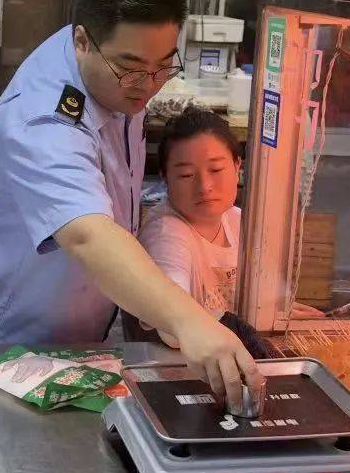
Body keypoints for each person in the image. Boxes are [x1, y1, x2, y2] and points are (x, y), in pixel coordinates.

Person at [0, 0, 263, 412]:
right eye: (131, 67)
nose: (147, 84)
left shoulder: (111, 64)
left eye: (163, 65)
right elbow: (87, 233)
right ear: (81, 41)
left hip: (83, 318)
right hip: (14, 336)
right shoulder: (42, 117)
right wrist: (189, 321)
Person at [135, 107, 323, 357]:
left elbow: (270, 301)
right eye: (186, 175)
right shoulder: (165, 233)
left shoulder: (239, 221)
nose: (205, 186)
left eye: (215, 169)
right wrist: (245, 325)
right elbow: (171, 325)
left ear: (237, 166)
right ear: (165, 178)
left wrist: (282, 314)